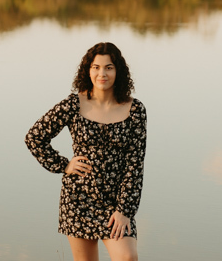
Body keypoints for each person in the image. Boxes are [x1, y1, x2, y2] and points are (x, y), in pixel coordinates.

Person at [25, 42, 147, 261]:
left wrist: (124, 210)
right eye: (96, 67)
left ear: (118, 71)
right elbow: (35, 137)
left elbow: (135, 164)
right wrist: (64, 165)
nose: (102, 73)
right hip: (78, 198)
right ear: (88, 70)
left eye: (109, 67)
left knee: (127, 257)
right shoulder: (73, 104)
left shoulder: (135, 110)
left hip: (116, 201)